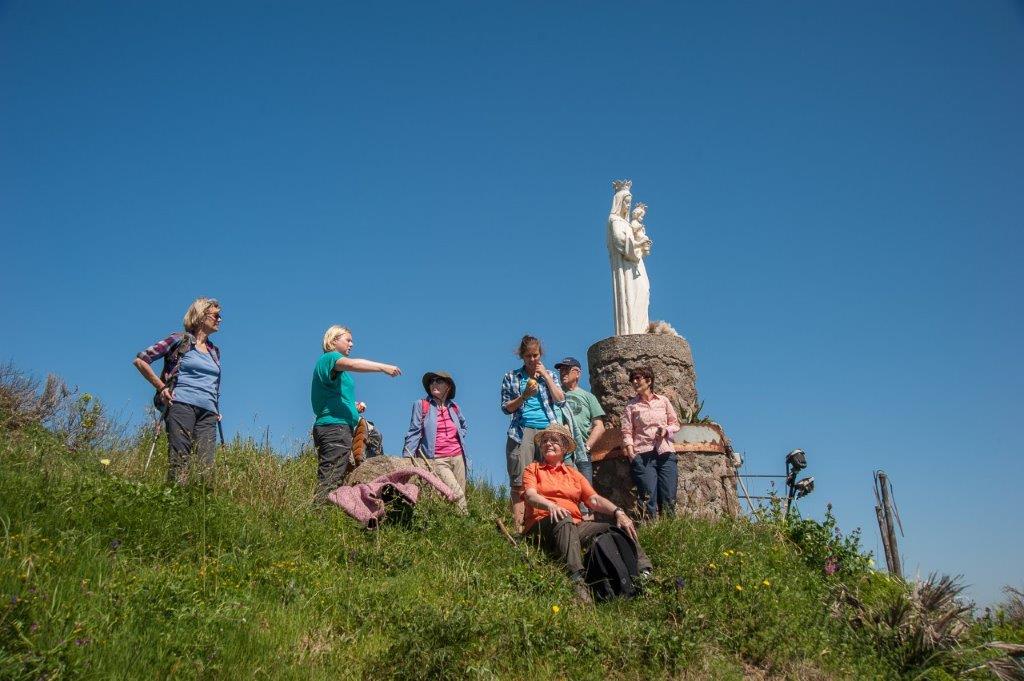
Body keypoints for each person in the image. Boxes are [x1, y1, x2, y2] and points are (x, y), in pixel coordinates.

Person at [523, 423, 653, 603]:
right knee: (565, 517)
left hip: (573, 525)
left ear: (565, 447)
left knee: (611, 528)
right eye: (545, 441)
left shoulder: (573, 474)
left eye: (554, 441)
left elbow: (593, 499)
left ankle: (644, 571)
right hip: (540, 524)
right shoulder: (533, 469)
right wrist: (550, 506)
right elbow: (530, 495)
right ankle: (577, 580)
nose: (548, 444)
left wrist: (618, 511)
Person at [133, 297, 223, 485]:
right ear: (201, 315)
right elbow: (141, 360)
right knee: (180, 459)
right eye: (216, 315)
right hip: (181, 404)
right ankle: (175, 504)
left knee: (206, 466)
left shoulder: (214, 351)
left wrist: (216, 408)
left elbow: (212, 383)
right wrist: (162, 387)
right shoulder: (179, 340)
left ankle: (199, 506)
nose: (219, 320)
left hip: (208, 412)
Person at [311, 325, 401, 503]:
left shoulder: (333, 368)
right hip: (334, 427)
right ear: (333, 340)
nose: (352, 343)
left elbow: (331, 396)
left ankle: (325, 514)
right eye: (348, 340)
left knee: (337, 475)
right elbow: (353, 364)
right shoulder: (330, 358)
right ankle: (318, 518)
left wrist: (353, 407)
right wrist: (383, 367)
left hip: (337, 426)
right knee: (331, 478)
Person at [500, 334, 565, 533]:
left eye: (535, 355)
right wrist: (524, 396)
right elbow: (506, 408)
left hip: (548, 430)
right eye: (528, 356)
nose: (532, 359)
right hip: (522, 431)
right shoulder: (512, 377)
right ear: (521, 356)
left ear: (540, 354)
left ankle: (543, 524)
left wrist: (545, 376)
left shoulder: (550, 375)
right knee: (519, 481)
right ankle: (520, 528)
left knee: (548, 479)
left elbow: (561, 400)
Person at [402, 371, 469, 513]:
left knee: (453, 496)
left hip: (458, 457)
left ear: (448, 387)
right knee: (458, 495)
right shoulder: (422, 405)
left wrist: (459, 436)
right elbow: (414, 430)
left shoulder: (454, 407)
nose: (434, 384)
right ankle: (466, 525)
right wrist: (407, 458)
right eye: (432, 381)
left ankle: (449, 526)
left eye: (439, 381)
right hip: (437, 459)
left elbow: (463, 426)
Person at [621, 365, 681, 520]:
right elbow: (627, 431)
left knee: (669, 498)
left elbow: (675, 424)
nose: (634, 382)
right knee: (648, 498)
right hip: (643, 455)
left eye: (637, 378)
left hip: (666, 453)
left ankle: (670, 535)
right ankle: (651, 535)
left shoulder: (663, 401)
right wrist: (631, 454)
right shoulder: (631, 406)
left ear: (648, 380)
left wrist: (666, 430)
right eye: (632, 379)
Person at [554, 357, 606, 484]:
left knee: (585, 493)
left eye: (567, 369)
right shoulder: (555, 394)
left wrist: (587, 447)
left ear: (577, 373)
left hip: (581, 451)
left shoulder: (588, 397)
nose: (562, 373)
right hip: (559, 450)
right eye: (561, 370)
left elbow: (599, 426)